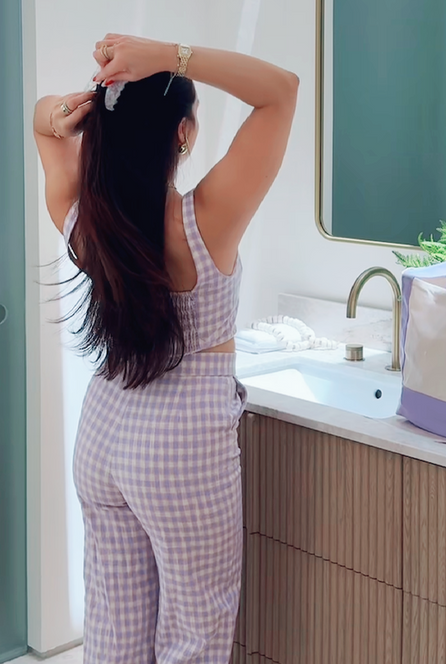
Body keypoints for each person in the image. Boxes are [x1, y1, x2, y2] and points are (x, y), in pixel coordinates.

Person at [33, 34, 299, 664]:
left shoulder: (81, 217)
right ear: (183, 134)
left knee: (114, 627)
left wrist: (63, 112)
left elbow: (45, 127)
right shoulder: (206, 220)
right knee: (192, 633)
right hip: (179, 443)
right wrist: (172, 55)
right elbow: (280, 91)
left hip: (102, 434)